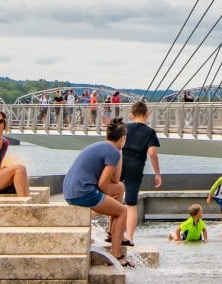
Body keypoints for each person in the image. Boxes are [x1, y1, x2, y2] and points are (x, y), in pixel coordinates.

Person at [63, 117, 130, 262]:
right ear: (123, 138)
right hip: (83, 193)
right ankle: (116, 254)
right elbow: (102, 184)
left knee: (120, 188)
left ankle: (113, 233)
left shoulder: (102, 146)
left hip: (70, 191)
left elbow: (116, 180)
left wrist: (120, 152)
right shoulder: (112, 152)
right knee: (123, 211)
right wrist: (106, 201)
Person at [121, 101, 162, 246]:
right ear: (147, 114)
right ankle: (130, 238)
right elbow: (152, 153)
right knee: (131, 204)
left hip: (120, 164)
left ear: (131, 115)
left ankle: (112, 232)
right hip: (136, 167)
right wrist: (157, 173)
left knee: (114, 198)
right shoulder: (150, 132)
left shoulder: (124, 128)